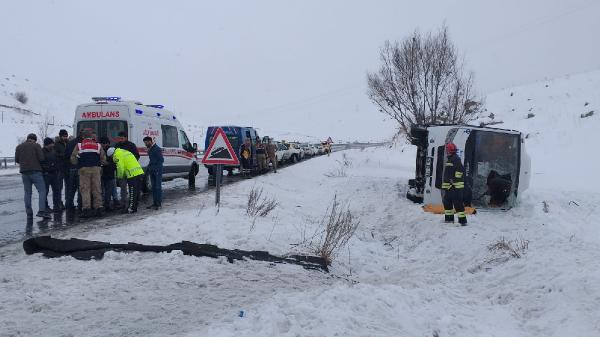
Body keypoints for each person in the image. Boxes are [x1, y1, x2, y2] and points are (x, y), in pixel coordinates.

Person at [71, 131, 106, 218]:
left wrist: (77, 163)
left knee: (85, 189)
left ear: (83, 137)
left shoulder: (79, 145)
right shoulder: (98, 145)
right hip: (96, 169)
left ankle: (87, 210)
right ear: (91, 137)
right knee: (96, 188)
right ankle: (98, 208)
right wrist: (100, 165)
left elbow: (73, 158)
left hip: (84, 169)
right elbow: (103, 158)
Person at [14, 133, 50, 219]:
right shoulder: (36, 146)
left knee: (27, 192)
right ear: (34, 139)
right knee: (42, 191)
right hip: (36, 171)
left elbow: (17, 160)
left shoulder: (19, 147)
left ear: (28, 138)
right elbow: (41, 158)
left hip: (24, 173)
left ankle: (29, 211)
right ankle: (41, 211)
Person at [107, 147, 144, 214]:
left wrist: (120, 177)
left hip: (132, 174)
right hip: (139, 172)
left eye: (111, 157)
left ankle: (131, 209)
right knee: (137, 192)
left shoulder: (117, 155)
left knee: (132, 192)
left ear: (112, 154)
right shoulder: (124, 151)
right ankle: (134, 207)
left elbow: (120, 167)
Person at [441, 142, 467, 225]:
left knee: (458, 204)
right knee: (447, 202)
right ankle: (449, 219)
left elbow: (461, 170)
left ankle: (462, 221)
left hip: (455, 187)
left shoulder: (455, 158)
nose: (446, 152)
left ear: (449, 150)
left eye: (447, 150)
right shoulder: (451, 158)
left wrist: (454, 180)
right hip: (450, 187)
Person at [115, 131, 140, 208]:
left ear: (126, 138)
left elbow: (137, 156)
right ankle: (123, 204)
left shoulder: (131, 145)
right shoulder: (117, 145)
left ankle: (133, 203)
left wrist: (129, 163)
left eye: (122, 138)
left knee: (132, 188)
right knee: (123, 189)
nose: (120, 140)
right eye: (119, 138)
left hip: (130, 171)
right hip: (121, 171)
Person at [41, 137, 62, 212]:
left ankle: (56, 206)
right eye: (51, 143)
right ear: (47, 144)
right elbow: (41, 163)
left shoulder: (53, 151)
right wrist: (48, 168)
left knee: (57, 190)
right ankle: (45, 207)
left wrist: (56, 167)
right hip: (46, 174)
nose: (53, 145)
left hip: (55, 174)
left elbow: (57, 160)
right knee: (45, 191)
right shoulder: (42, 151)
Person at [143, 136, 164, 210]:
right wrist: (149, 167)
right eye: (144, 143)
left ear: (150, 141)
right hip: (152, 170)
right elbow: (151, 159)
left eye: (146, 142)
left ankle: (158, 204)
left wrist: (154, 164)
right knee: (153, 187)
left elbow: (161, 160)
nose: (145, 144)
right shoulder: (150, 149)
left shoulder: (157, 149)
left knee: (158, 187)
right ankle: (155, 203)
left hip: (157, 170)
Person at [99, 137, 119, 211]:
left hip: (108, 173)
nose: (102, 145)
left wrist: (106, 164)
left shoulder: (110, 151)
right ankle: (105, 204)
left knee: (108, 190)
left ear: (107, 143)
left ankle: (108, 204)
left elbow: (114, 163)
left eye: (103, 143)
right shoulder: (101, 150)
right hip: (103, 173)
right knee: (104, 190)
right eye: (101, 143)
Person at [65, 131, 82, 211]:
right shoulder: (81, 143)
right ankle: (80, 204)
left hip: (71, 168)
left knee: (71, 188)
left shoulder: (70, 143)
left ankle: (69, 204)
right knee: (80, 187)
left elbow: (67, 155)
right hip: (80, 168)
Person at [53, 129, 69, 210]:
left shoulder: (68, 142)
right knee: (59, 187)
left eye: (66, 136)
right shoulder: (56, 144)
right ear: (60, 136)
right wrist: (64, 155)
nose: (65, 137)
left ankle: (67, 202)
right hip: (59, 168)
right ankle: (58, 202)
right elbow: (55, 154)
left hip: (67, 167)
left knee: (68, 186)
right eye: (64, 136)